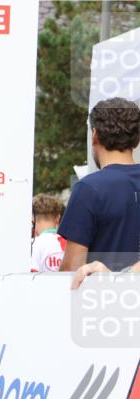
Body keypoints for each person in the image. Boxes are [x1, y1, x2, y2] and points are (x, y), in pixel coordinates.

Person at [59, 97, 140, 272]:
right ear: (136, 140)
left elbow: (72, 269)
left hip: (105, 297)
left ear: (95, 135)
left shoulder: (89, 189)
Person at [30, 194, 66, 273]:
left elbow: (31, 277)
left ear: (32, 218)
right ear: (58, 218)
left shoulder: (32, 245)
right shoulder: (68, 244)